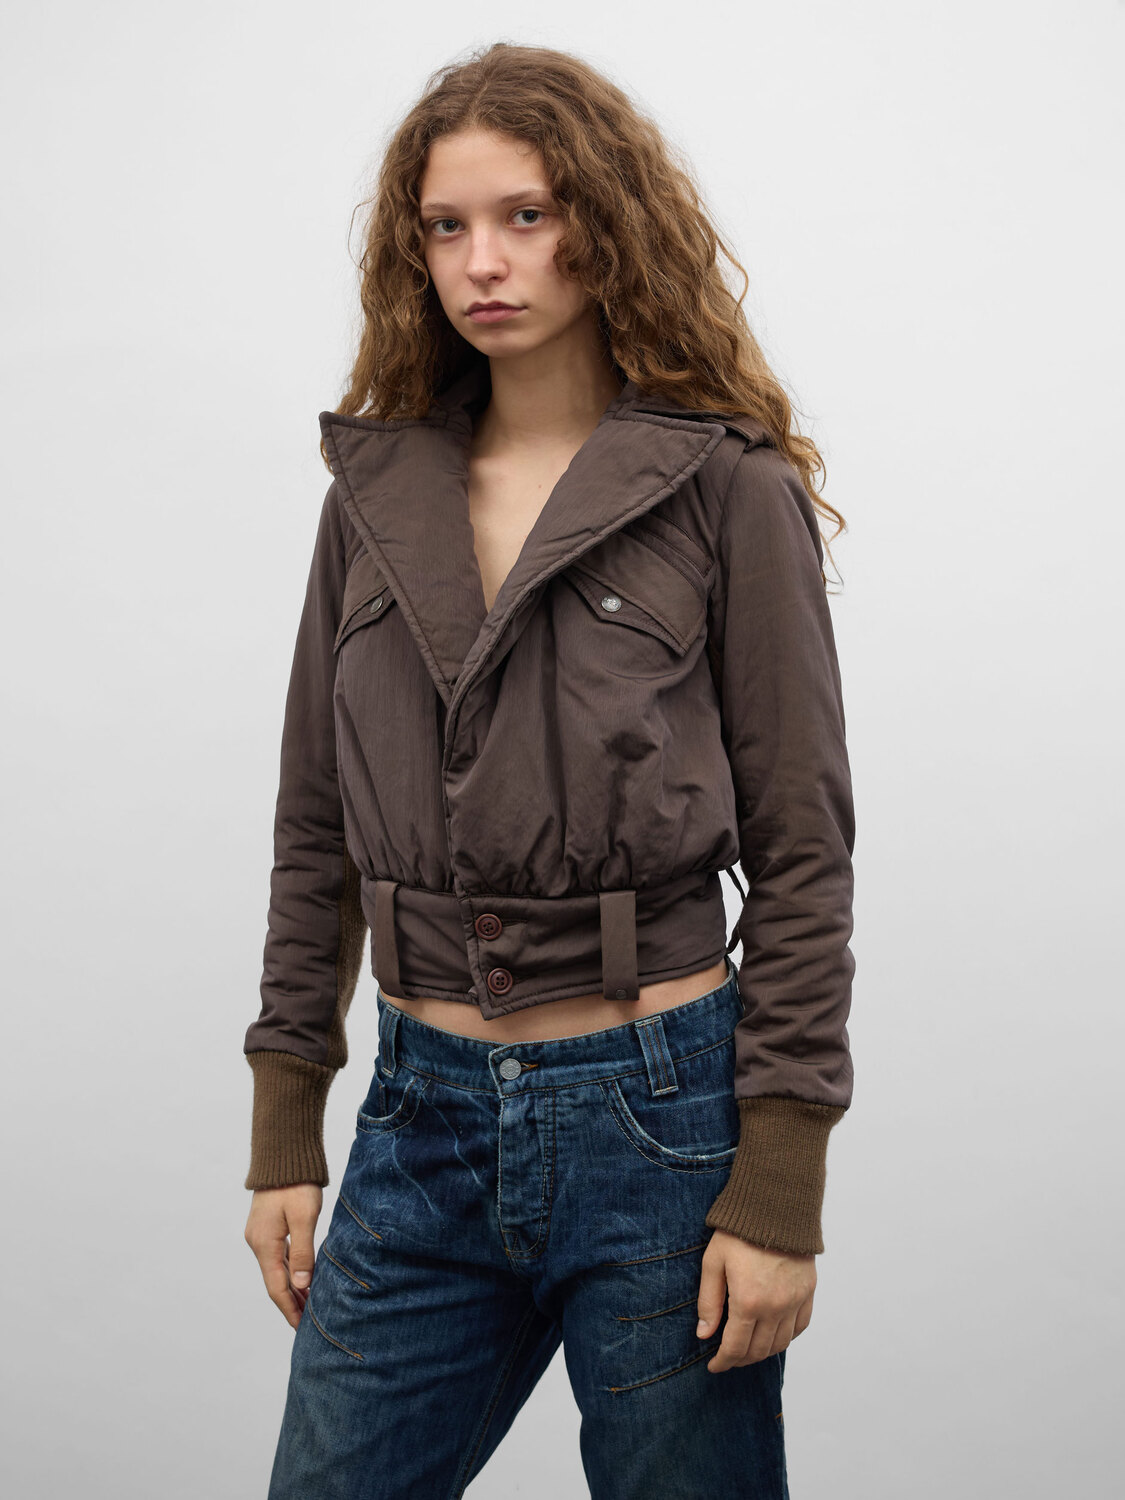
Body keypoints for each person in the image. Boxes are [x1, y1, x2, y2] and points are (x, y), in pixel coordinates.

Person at [242, 40, 855, 1500]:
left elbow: (803, 850)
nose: (483, 262)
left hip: (660, 1114)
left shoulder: (725, 488)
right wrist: (285, 1124)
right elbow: (315, 826)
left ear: (606, 221)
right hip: (420, 1118)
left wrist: (780, 1183)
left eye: (526, 215)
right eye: (445, 227)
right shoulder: (374, 498)